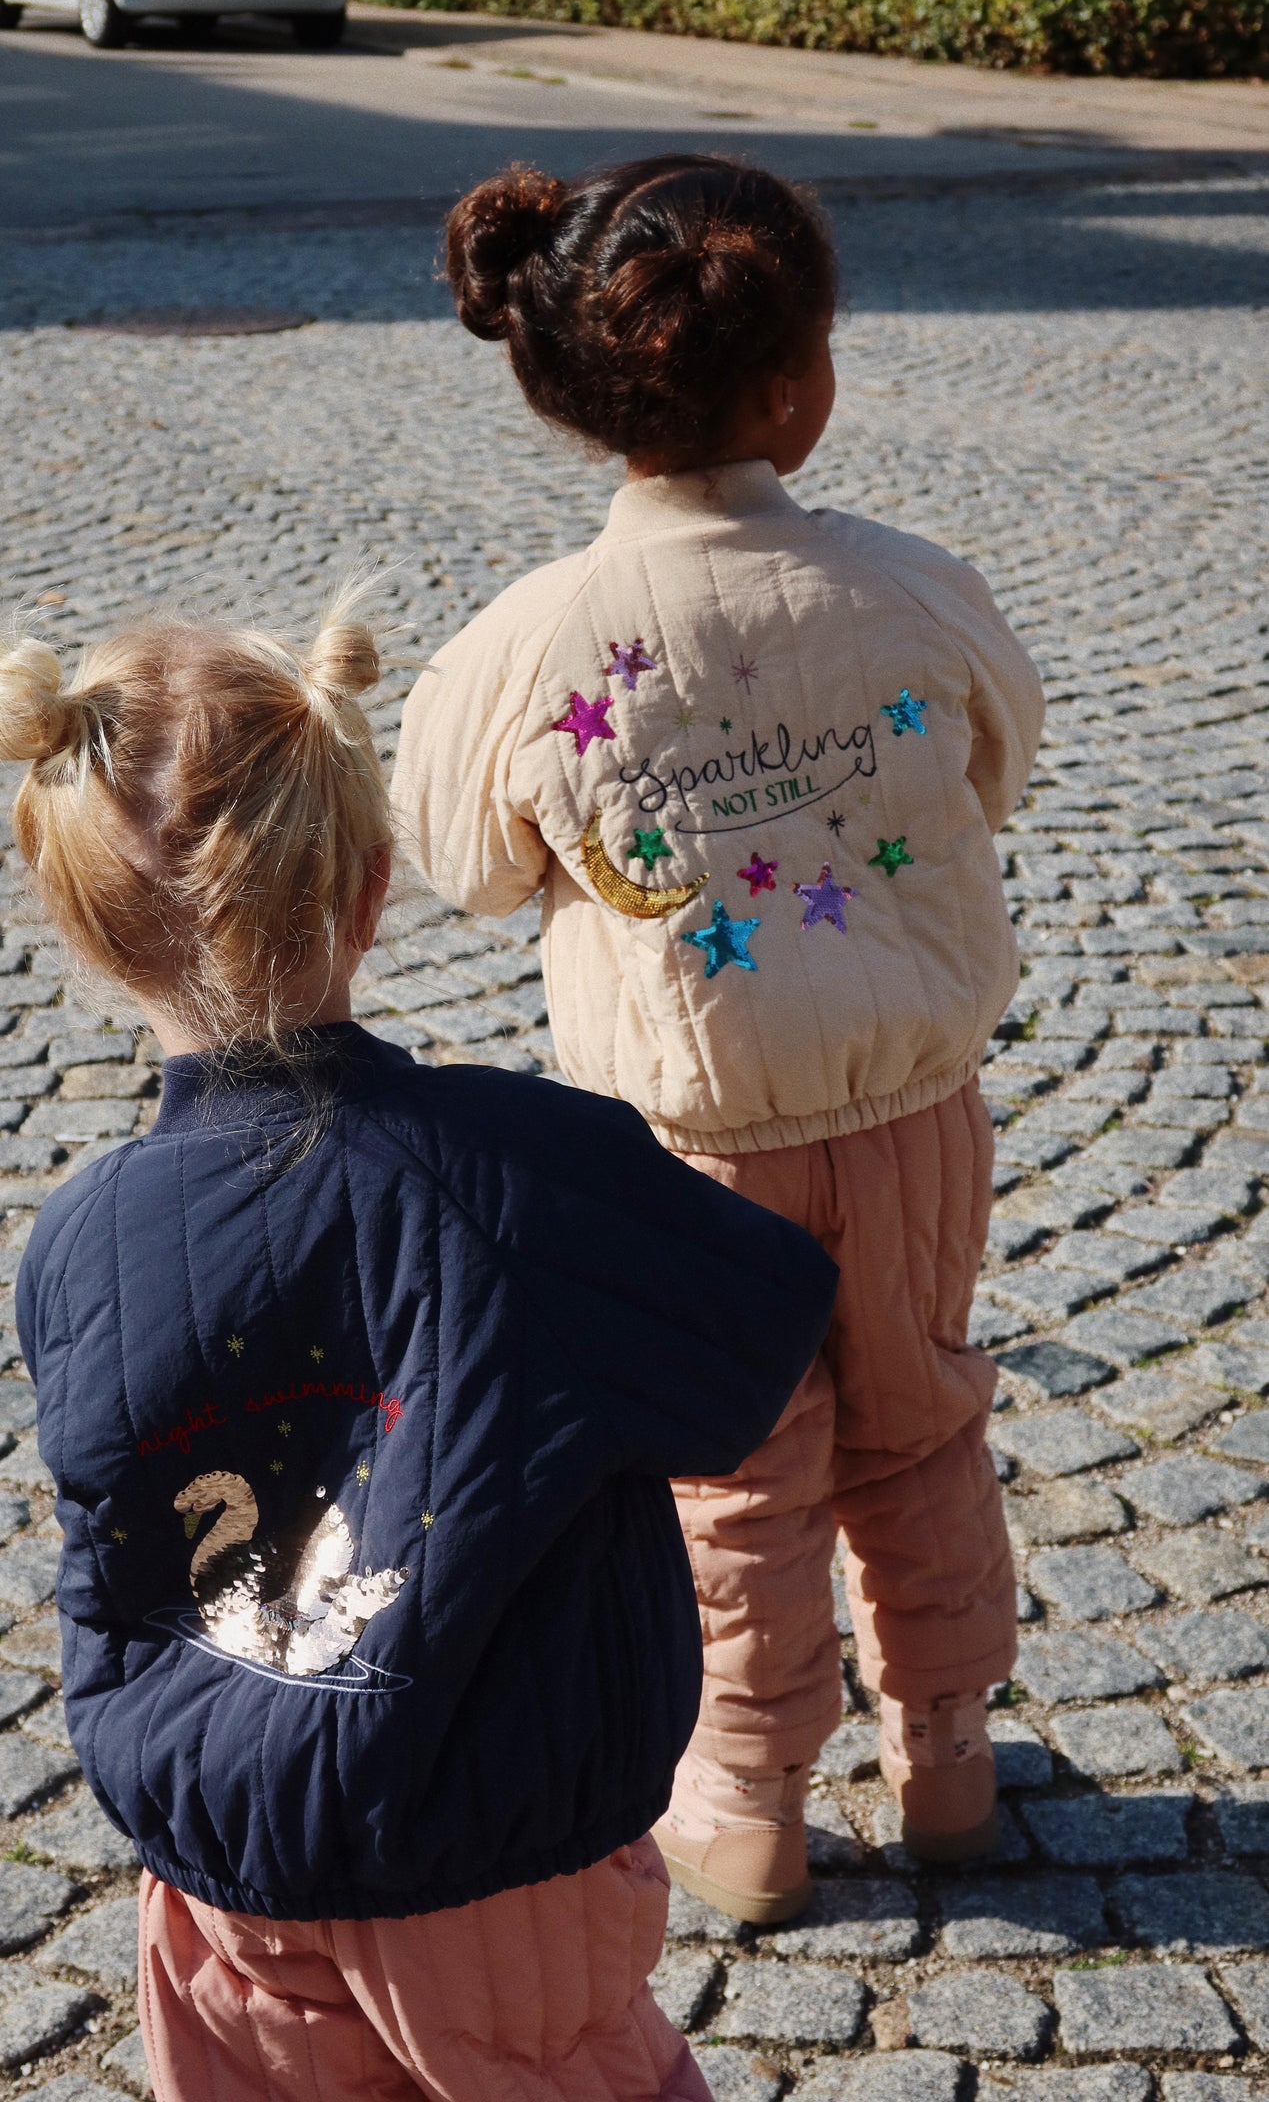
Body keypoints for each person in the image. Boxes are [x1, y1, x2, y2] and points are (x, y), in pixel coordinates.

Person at [0, 600, 837, 2102]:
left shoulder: (79, 1239)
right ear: (369, 890)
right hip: (492, 1864)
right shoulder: (522, 1173)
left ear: (88, 928)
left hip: (219, 1873)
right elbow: (754, 1332)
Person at [391, 154, 1045, 1927]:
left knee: (732, 1472)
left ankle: (748, 1803)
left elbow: (455, 858)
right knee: (918, 1425)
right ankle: (951, 1763)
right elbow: (999, 760)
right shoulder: (910, 587)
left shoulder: (528, 646)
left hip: (684, 1153)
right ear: (794, 382)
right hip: (912, 1107)